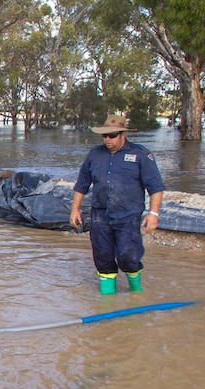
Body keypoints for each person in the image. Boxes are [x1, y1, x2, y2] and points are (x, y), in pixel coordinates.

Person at [69, 115, 165, 295]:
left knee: (127, 256)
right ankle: (107, 303)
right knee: (103, 258)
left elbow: (156, 187)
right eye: (104, 136)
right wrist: (75, 209)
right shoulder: (94, 154)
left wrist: (153, 213)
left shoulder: (141, 155)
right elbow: (81, 184)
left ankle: (136, 293)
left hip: (128, 214)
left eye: (112, 136)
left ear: (123, 134)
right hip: (100, 215)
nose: (107, 140)